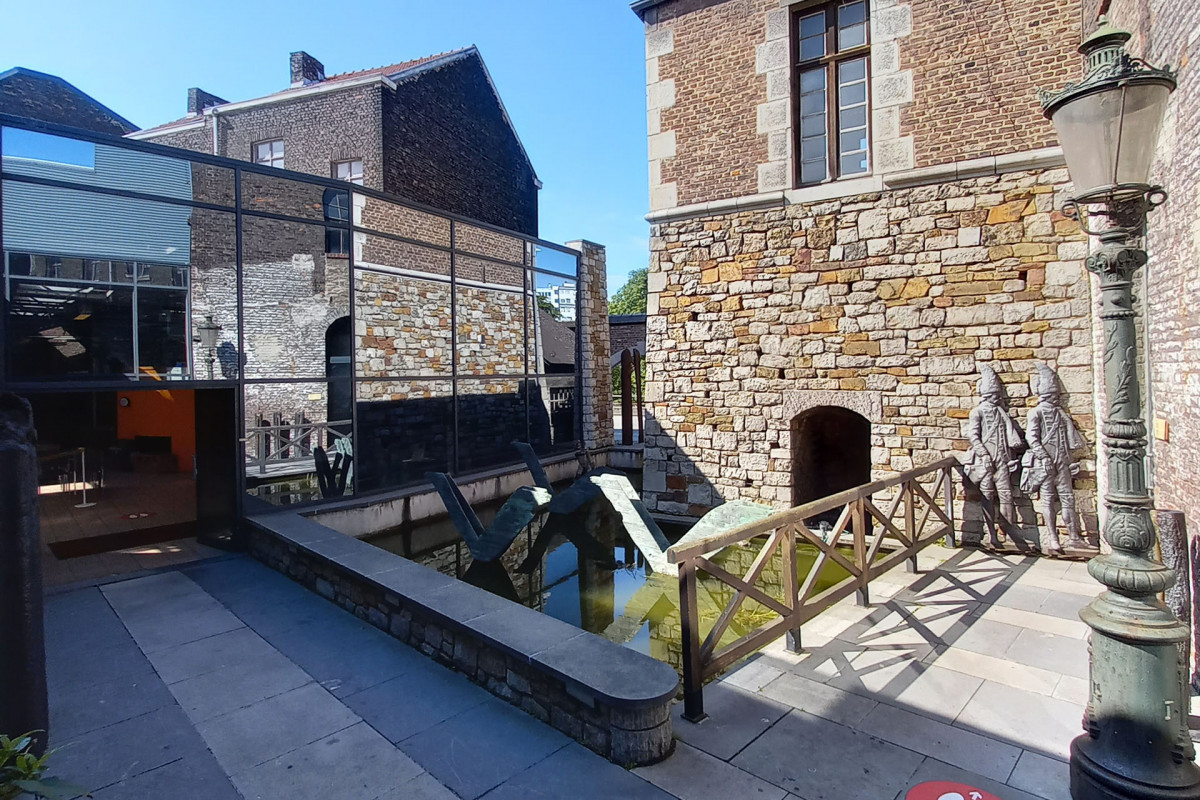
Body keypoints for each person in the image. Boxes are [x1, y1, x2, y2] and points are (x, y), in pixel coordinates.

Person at [1022, 363, 1085, 553]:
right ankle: (1052, 538)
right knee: (1048, 500)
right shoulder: (1036, 412)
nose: (1056, 399)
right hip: (1045, 464)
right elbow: (1031, 438)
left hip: (1062, 463)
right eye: (1054, 396)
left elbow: (1072, 439)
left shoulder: (1060, 414)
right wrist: (1044, 457)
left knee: (1068, 499)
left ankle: (1073, 536)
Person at [965, 365, 1024, 547]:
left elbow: (1011, 436)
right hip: (986, 463)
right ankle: (991, 534)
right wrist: (984, 455)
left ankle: (1004, 530)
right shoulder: (978, 412)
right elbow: (973, 436)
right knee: (987, 496)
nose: (995, 399)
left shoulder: (1000, 413)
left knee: (1006, 496)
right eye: (993, 396)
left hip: (1003, 461)